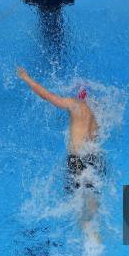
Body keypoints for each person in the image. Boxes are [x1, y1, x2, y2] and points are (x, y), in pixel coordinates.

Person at [17, 67, 102, 241]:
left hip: (77, 159)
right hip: (93, 158)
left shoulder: (74, 104)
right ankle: (93, 232)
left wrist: (27, 78)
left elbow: (47, 96)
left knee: (72, 202)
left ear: (78, 96)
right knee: (90, 197)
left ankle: (84, 232)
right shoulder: (95, 115)